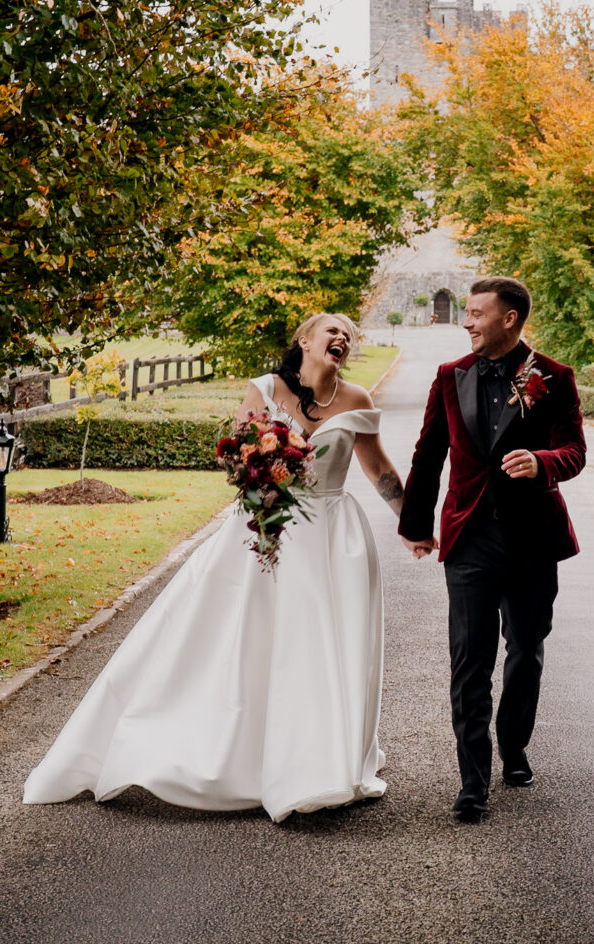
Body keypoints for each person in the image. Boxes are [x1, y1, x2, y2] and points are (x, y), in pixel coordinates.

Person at [24, 313, 406, 823]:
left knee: (323, 643)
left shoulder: (357, 399)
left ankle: (321, 758)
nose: (341, 338)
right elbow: (236, 456)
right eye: (331, 330)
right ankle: (232, 755)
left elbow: (378, 467)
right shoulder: (266, 389)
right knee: (243, 640)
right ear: (304, 340)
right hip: (267, 526)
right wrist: (265, 476)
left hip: (335, 536)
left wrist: (414, 523)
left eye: (349, 334)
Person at [398, 277, 586, 823]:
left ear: (509, 318)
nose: (467, 322)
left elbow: (573, 451)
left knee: (526, 649)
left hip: (533, 539)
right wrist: (417, 523)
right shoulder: (449, 376)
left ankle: (514, 746)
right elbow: (428, 452)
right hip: (469, 538)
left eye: (477, 313)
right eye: (467, 314)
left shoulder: (554, 377)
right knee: (470, 659)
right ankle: (472, 782)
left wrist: (542, 463)